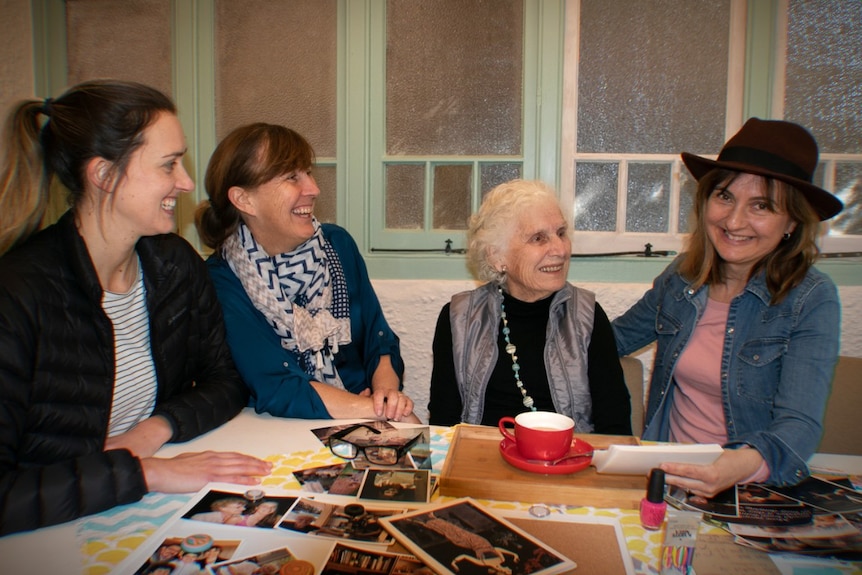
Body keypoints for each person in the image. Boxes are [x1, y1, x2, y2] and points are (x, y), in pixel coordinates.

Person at [0, 80, 271, 536]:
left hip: (133, 508)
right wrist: (142, 472)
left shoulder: (174, 264)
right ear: (104, 175)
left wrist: (155, 430)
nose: (185, 182)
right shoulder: (17, 295)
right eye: (169, 165)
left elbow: (225, 380)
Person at [612, 118, 844, 497]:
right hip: (668, 478)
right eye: (725, 197)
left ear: (792, 222)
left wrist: (733, 466)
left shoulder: (812, 298)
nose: (734, 221)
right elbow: (612, 339)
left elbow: (799, 425)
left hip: (749, 487)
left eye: (762, 206)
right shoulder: (681, 276)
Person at [195, 123, 417, 421]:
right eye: (291, 177)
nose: (313, 189)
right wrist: (375, 410)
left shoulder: (338, 245)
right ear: (244, 199)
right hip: (283, 432)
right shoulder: (222, 281)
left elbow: (380, 339)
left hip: (365, 413)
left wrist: (387, 395)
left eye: (308, 173)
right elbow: (277, 386)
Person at [428, 179, 632, 433]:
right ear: (496, 256)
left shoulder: (587, 316)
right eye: (538, 238)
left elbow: (615, 427)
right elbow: (443, 423)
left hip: (565, 463)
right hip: (480, 462)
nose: (559, 249)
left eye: (560, 233)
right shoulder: (459, 317)